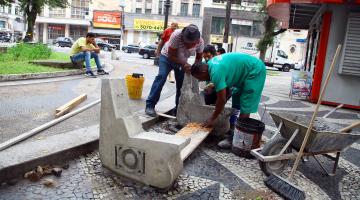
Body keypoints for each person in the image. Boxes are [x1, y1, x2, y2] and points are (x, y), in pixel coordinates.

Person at [191, 52, 266, 149]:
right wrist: (221, 103)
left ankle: (236, 138)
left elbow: (221, 99)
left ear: (203, 72)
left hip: (255, 70)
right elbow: (227, 92)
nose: (200, 81)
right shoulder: (210, 65)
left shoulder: (215, 72)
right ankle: (233, 129)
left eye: (199, 78)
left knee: (246, 104)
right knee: (236, 97)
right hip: (244, 73)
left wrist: (212, 118)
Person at [145, 24, 204, 117]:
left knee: (181, 85)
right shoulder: (176, 35)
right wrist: (184, 64)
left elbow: (199, 59)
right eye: (186, 42)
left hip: (182, 61)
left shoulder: (200, 42)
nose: (188, 44)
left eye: (191, 43)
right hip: (167, 58)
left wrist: (193, 68)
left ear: (196, 41)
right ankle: (150, 105)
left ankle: (178, 109)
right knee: (161, 76)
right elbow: (171, 55)